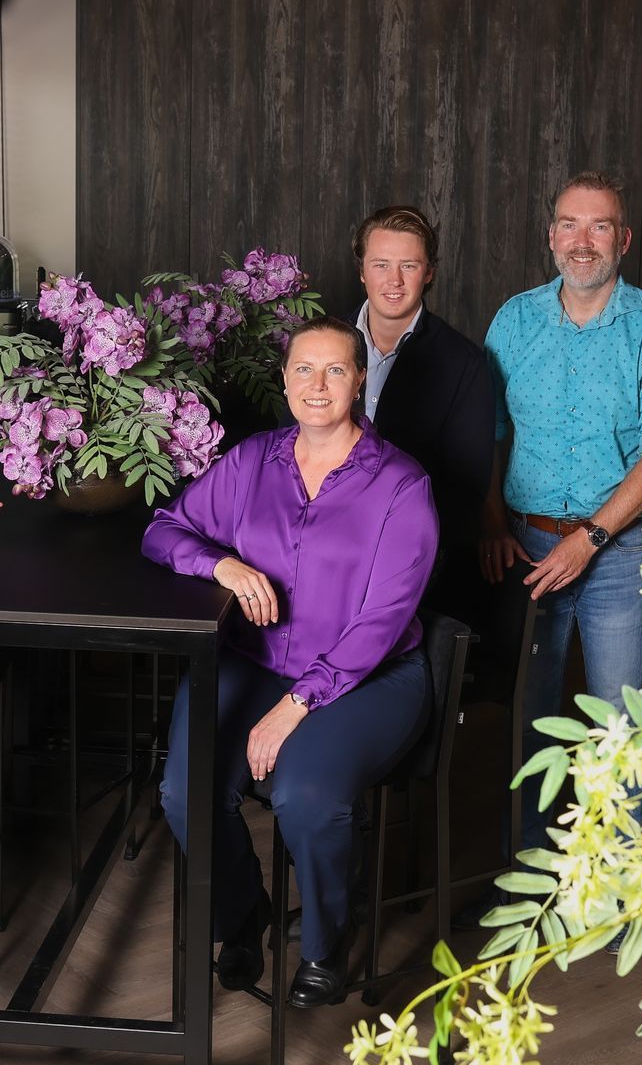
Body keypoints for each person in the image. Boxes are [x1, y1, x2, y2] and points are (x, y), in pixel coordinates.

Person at [143, 316, 438, 1007]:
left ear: (360, 380)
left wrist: (293, 706)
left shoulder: (402, 484)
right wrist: (219, 564)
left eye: (335, 369)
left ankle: (327, 946)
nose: (318, 384)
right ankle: (243, 913)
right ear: (283, 379)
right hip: (252, 659)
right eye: (304, 368)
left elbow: (382, 620)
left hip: (367, 679)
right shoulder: (253, 462)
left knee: (305, 797)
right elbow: (164, 529)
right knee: (185, 792)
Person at [481, 171, 642, 854]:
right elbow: (489, 434)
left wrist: (592, 538)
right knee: (529, 717)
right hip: (522, 545)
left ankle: (623, 879)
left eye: (599, 226)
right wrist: (489, 521)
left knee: (620, 721)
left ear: (622, 240)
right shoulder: (513, 319)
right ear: (551, 237)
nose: (583, 240)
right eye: (570, 224)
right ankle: (531, 866)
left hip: (619, 551)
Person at [353, 205, 496, 608]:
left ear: (429, 272)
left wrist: (399, 551)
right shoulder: (322, 344)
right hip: (317, 550)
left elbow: (465, 490)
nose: (394, 281)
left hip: (410, 567)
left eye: (409, 266)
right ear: (362, 271)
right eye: (381, 264)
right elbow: (285, 447)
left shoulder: (463, 363)